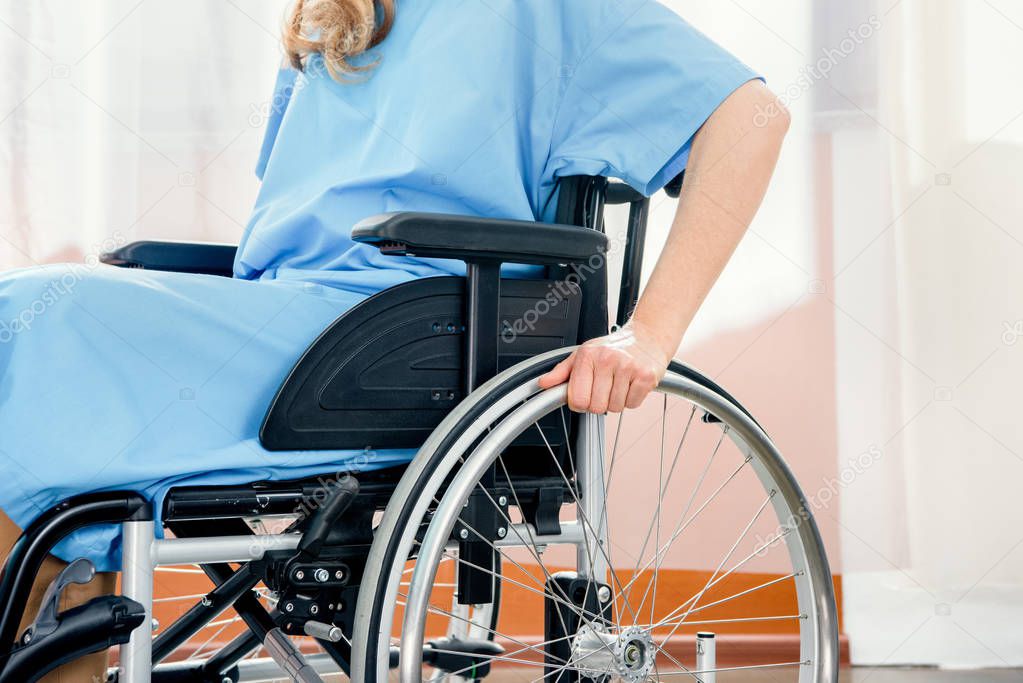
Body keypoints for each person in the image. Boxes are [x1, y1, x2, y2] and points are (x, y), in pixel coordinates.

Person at [0, 0, 788, 678]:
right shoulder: (336, 18)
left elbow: (753, 117)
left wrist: (646, 335)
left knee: (30, 314)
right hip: (285, 323)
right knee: (31, 349)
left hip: (403, 338)